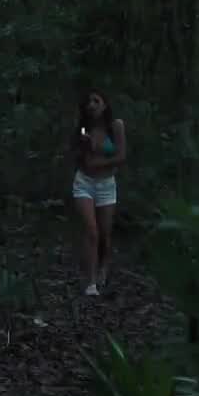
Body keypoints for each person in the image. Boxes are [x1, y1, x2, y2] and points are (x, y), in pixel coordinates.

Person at [69, 88, 127, 296]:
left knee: (104, 234)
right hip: (84, 182)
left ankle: (104, 266)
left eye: (96, 100)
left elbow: (121, 156)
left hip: (106, 185)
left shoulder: (115, 126)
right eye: (88, 102)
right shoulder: (84, 128)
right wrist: (85, 146)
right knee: (91, 231)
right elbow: (80, 157)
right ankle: (91, 282)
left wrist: (100, 163)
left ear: (105, 104)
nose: (91, 105)